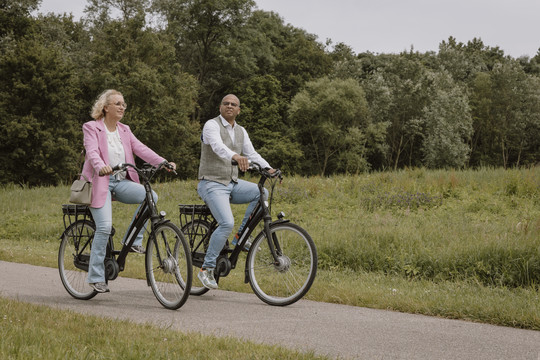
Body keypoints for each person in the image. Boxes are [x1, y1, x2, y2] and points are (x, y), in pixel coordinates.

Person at [81, 89, 176, 293]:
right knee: (104, 227)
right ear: (106, 107)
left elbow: (141, 148)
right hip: (99, 182)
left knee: (151, 196)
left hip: (121, 181)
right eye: (117, 103)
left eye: (124, 103)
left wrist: (163, 162)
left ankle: (133, 240)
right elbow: (92, 152)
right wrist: (100, 166)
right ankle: (96, 276)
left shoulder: (124, 129)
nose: (122, 107)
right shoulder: (91, 127)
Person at [197, 94, 274, 289]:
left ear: (239, 110)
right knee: (226, 222)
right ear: (220, 107)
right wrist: (235, 156)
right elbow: (217, 146)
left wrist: (269, 168)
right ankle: (206, 268)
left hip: (231, 183)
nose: (229, 106)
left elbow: (252, 153)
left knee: (261, 192)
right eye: (226, 103)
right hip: (211, 183)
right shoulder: (211, 125)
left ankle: (241, 237)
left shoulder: (241, 131)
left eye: (234, 104)